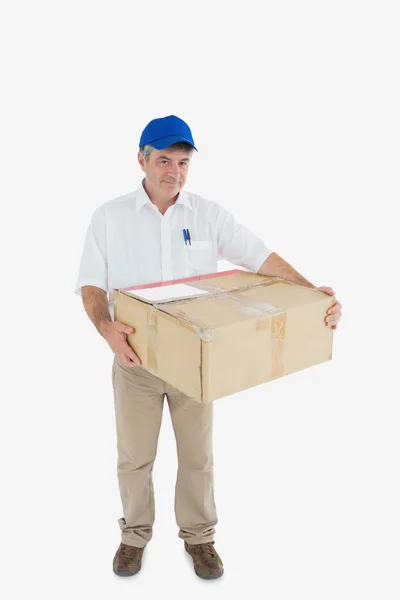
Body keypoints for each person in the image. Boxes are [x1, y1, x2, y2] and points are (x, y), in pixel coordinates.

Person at [74, 115, 342, 580]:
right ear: (141, 158)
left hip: (194, 364)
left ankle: (199, 539)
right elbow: (91, 284)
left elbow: (261, 258)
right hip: (134, 361)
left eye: (182, 162)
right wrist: (105, 329)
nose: (173, 171)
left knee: (197, 457)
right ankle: (134, 536)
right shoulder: (109, 216)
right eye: (163, 160)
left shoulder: (208, 215)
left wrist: (313, 291)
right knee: (135, 457)